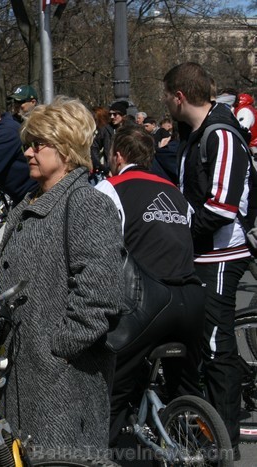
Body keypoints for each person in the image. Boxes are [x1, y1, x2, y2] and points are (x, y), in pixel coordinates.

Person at [0, 96, 124, 461]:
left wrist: (57, 349)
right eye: (28, 144)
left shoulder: (85, 203)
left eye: (39, 144)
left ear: (67, 149)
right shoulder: (30, 202)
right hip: (17, 376)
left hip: (59, 384)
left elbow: (100, 293)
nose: (28, 153)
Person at [95, 124, 205, 445]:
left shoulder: (110, 188)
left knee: (113, 390)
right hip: (192, 299)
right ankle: (196, 449)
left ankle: (107, 457)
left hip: (150, 301)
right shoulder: (175, 192)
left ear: (117, 155)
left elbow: (101, 248)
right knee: (186, 390)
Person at [163, 61, 251, 458]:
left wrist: (179, 235)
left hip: (221, 253)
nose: (164, 103)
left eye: (167, 96)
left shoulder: (221, 133)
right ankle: (199, 420)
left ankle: (225, 438)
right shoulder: (194, 131)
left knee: (217, 344)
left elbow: (220, 209)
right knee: (198, 337)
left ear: (179, 97)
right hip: (202, 251)